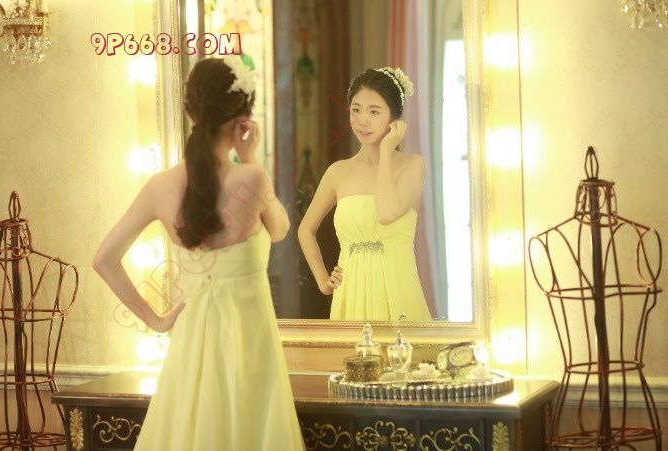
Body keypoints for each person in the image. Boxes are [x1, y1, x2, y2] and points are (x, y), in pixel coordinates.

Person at [92, 56, 305, 450]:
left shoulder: (159, 186)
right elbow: (279, 230)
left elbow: (103, 258)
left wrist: (156, 321)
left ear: (190, 112)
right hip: (250, 349)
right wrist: (251, 157)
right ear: (242, 120)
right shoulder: (251, 178)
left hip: (189, 350)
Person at [298, 67, 433, 321]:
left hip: (399, 291)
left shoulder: (413, 165)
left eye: (374, 111)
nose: (362, 120)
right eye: (356, 109)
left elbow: (387, 213)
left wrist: (386, 152)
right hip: (350, 294)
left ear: (394, 118)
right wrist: (323, 281)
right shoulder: (338, 172)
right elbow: (306, 229)